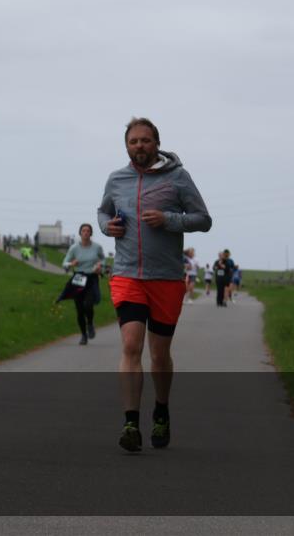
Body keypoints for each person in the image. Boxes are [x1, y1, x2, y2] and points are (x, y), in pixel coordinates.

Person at [98, 117, 211, 452]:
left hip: (165, 278)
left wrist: (169, 220)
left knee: (159, 354)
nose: (140, 146)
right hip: (127, 274)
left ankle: (161, 409)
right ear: (126, 145)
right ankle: (130, 422)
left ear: (157, 144)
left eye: (146, 140)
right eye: (133, 141)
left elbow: (203, 219)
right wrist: (108, 228)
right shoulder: (116, 179)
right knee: (131, 346)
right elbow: (103, 213)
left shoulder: (178, 178)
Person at [57, 223, 105, 345]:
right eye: (83, 231)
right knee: (79, 310)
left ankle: (90, 324)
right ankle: (83, 335)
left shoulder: (97, 247)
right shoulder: (74, 248)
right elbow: (64, 263)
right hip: (78, 278)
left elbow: (103, 259)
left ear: (91, 233)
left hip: (91, 278)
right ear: (80, 233)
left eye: (88, 231)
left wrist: (100, 266)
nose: (85, 233)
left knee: (88, 305)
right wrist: (71, 264)